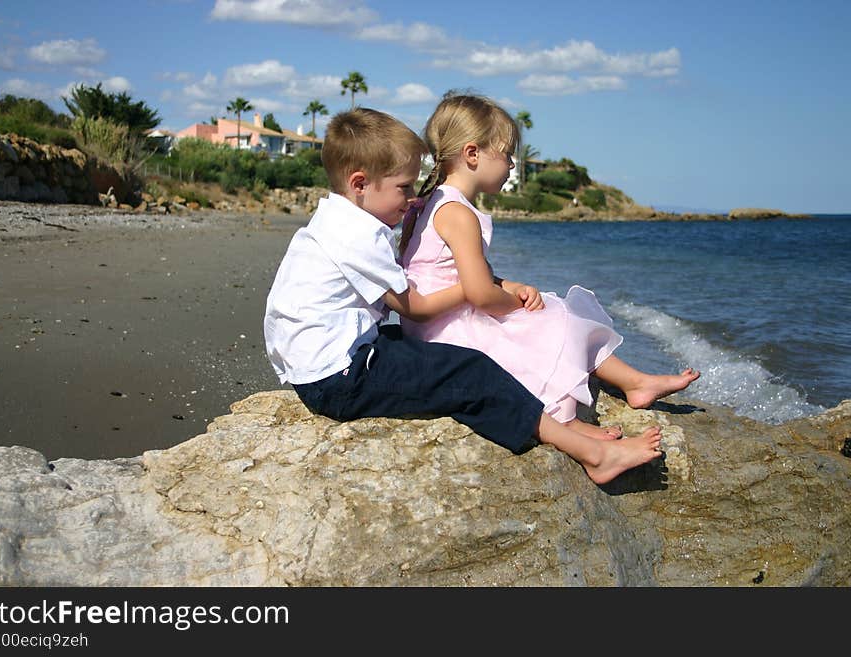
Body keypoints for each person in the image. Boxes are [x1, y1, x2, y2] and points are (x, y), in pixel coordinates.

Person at [264, 106, 665, 485]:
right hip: (342, 378)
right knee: (471, 371)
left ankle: (570, 427)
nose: (408, 200)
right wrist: (474, 289)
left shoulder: (334, 220)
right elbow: (417, 308)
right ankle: (590, 454)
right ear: (360, 184)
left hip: (327, 366)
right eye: (402, 188)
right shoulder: (357, 236)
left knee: (427, 354)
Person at [399, 92, 700, 442]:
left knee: (554, 315)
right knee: (553, 318)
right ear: (472, 153)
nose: (512, 165)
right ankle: (567, 419)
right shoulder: (458, 213)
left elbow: (449, 274)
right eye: (507, 154)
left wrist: (508, 285)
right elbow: (480, 294)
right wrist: (520, 305)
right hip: (450, 332)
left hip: (432, 327)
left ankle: (634, 382)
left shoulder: (431, 204)